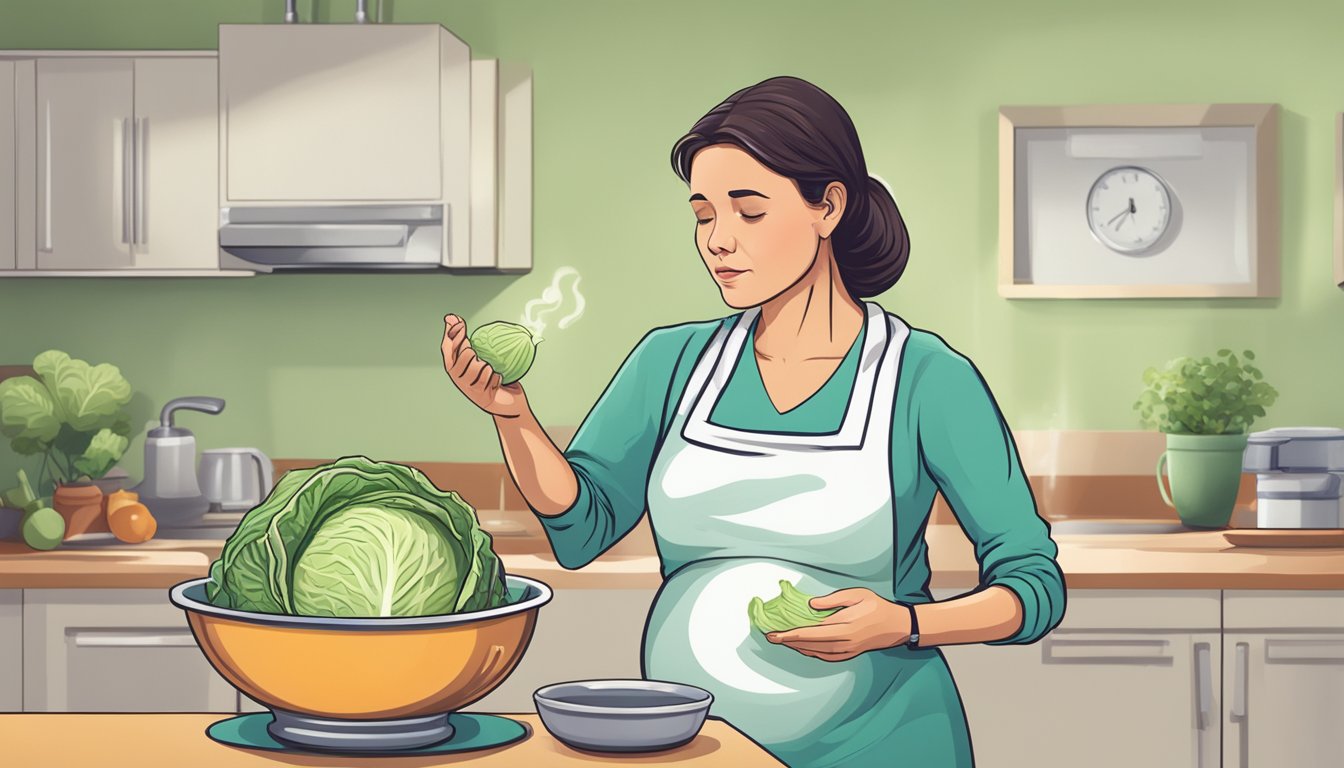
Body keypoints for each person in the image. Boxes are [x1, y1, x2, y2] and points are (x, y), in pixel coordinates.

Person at [441, 75, 1065, 768]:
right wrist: (513, 417)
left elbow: (1032, 587)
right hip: (701, 750)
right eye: (704, 215)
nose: (718, 241)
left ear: (828, 206)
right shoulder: (670, 362)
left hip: (886, 744)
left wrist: (906, 624)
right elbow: (583, 527)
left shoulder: (926, 377)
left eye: (748, 212)